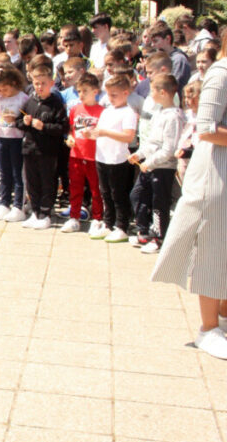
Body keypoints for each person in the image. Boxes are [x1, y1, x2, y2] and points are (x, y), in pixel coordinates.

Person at [152, 58, 227, 358]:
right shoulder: (221, 73)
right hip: (217, 173)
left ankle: (222, 319)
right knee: (214, 249)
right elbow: (207, 128)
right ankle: (208, 328)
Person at [127, 73, 184, 253]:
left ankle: (160, 239)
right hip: (151, 165)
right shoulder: (159, 112)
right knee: (137, 195)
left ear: (164, 92)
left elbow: (168, 148)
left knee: (160, 204)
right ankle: (145, 231)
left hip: (163, 168)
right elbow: (152, 141)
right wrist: (139, 154)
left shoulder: (174, 116)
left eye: (153, 90)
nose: (150, 94)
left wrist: (150, 162)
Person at [82, 74, 137, 243]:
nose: (110, 98)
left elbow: (128, 137)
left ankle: (122, 226)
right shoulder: (106, 111)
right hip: (102, 156)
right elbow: (99, 132)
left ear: (126, 93)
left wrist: (104, 133)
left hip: (117, 159)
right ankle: (108, 223)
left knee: (117, 193)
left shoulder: (129, 112)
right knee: (105, 192)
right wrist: (89, 134)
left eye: (114, 95)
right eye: (108, 94)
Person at [17, 57, 69, 229]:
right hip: (29, 149)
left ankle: (45, 214)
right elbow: (18, 121)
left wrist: (44, 126)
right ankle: (35, 211)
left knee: (47, 182)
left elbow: (62, 127)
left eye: (43, 83)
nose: (40, 87)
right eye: (37, 83)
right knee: (32, 182)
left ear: (51, 83)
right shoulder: (30, 101)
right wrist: (23, 121)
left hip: (48, 151)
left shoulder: (56, 103)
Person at [62, 72, 104, 234]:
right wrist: (70, 139)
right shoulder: (75, 110)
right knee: (75, 187)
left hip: (94, 156)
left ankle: (98, 218)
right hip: (76, 155)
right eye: (79, 91)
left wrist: (93, 134)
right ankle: (74, 217)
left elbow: (103, 133)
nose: (81, 95)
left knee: (95, 189)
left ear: (95, 91)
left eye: (85, 91)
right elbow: (71, 130)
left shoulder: (102, 111)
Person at [0, 67, 30, 222]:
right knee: (3, 172)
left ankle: (19, 205)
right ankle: (4, 203)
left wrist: (16, 120)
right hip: (1, 136)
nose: (3, 92)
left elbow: (27, 120)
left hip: (17, 139)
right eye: (0, 89)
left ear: (14, 83)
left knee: (18, 173)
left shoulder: (23, 98)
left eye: (5, 89)